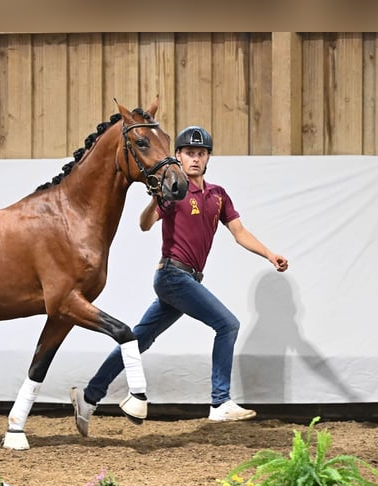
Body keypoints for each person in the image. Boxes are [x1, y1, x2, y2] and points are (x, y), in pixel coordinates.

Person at [70, 125, 289, 436]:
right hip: (172, 275)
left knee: (137, 340)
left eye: (201, 154)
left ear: (208, 158)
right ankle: (220, 402)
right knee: (227, 324)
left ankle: (88, 397)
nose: (195, 159)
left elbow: (240, 233)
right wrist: (154, 200)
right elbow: (145, 225)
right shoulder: (173, 190)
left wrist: (269, 254)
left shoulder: (218, 195)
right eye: (189, 153)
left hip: (188, 280)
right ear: (178, 157)